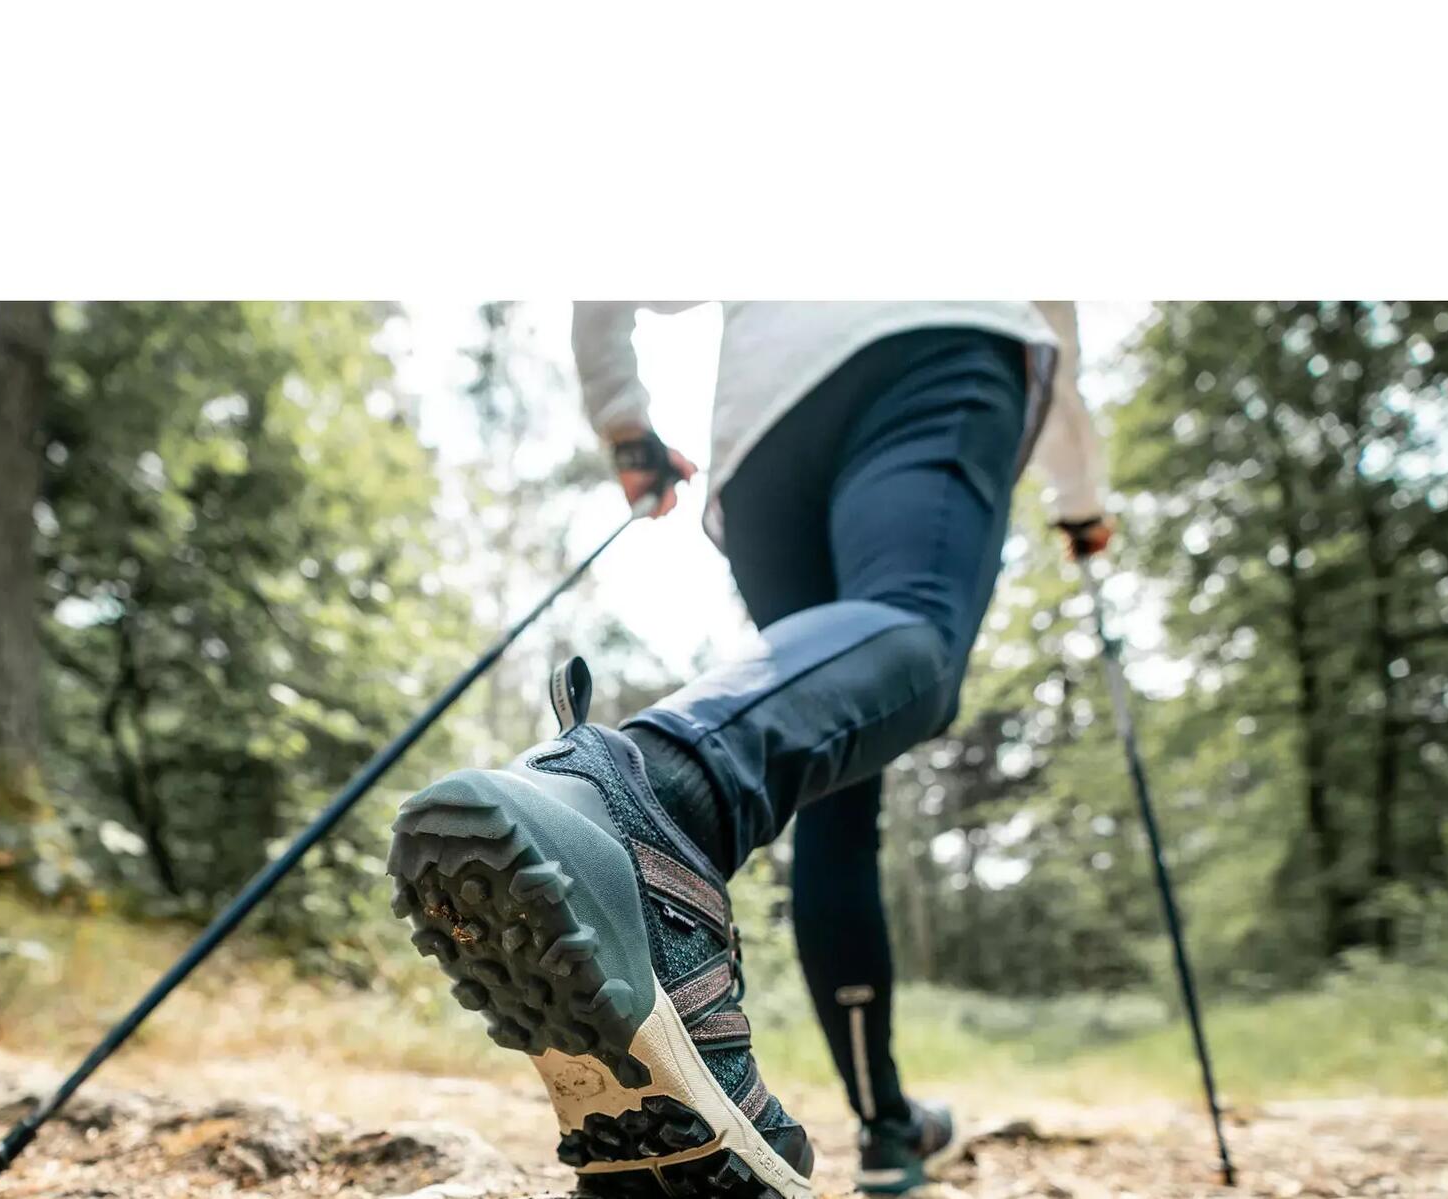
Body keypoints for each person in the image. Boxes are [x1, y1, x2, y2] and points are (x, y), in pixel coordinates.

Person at [388, 302, 1109, 1199]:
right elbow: (1053, 314)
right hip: (940, 341)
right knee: (915, 631)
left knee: (837, 771)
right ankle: (656, 792)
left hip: (765, 433)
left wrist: (625, 423)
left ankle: (881, 1119)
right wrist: (1081, 499)